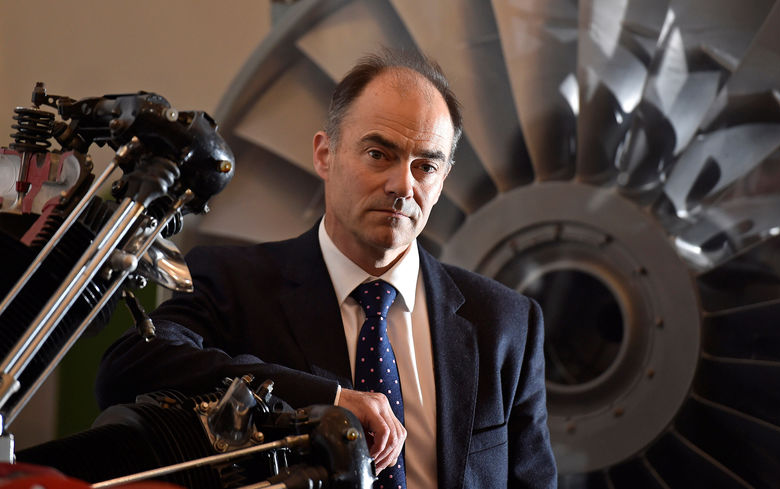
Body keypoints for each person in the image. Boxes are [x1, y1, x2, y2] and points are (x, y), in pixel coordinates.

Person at [96, 49, 557, 488]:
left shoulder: (505, 323)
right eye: (379, 155)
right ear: (324, 154)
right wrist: (328, 400)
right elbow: (127, 368)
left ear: (443, 180)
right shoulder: (232, 282)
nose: (403, 185)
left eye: (425, 167)